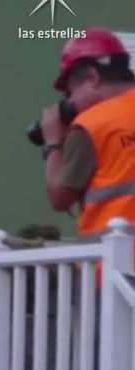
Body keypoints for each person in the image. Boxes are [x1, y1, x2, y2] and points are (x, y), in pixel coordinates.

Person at [41, 27, 135, 235]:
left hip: (116, 262)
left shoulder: (91, 124)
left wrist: (54, 142)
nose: (70, 101)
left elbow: (60, 198)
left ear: (92, 78)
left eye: (71, 92)